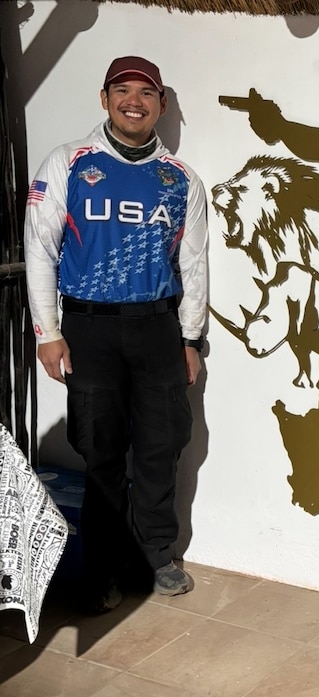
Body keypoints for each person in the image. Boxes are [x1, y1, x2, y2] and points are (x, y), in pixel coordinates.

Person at [24, 56, 209, 613]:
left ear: (162, 105)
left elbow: (195, 263)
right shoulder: (68, 163)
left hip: (158, 328)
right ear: (104, 99)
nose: (135, 101)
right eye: (123, 91)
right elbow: (40, 248)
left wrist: (191, 339)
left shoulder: (180, 179)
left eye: (147, 93)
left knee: (161, 446)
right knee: (100, 450)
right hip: (88, 327)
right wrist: (47, 332)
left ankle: (155, 553)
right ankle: (102, 565)